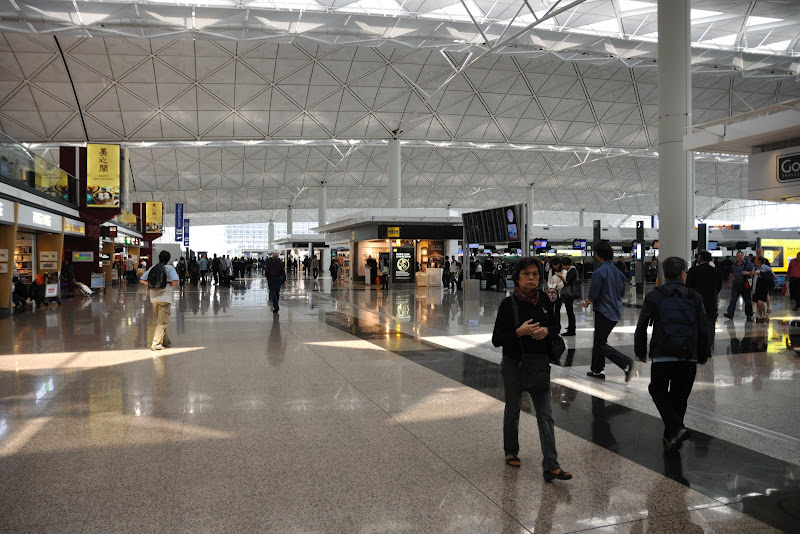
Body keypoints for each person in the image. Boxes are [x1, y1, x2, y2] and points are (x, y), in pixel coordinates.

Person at [491, 257, 572, 481]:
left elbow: (555, 325)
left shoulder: (543, 299)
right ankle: (511, 450)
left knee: (546, 415)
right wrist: (519, 332)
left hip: (538, 364)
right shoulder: (509, 305)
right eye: (526, 274)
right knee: (513, 408)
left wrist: (546, 330)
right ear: (517, 278)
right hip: (514, 364)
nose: (531, 278)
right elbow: (497, 339)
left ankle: (551, 465)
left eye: (535, 274)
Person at [634, 256, 710, 453]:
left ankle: (674, 432)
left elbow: (642, 325)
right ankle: (673, 434)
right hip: (688, 356)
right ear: (683, 273)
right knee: (679, 398)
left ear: (663, 273)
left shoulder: (655, 295)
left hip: (662, 354)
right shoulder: (694, 296)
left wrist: (640, 350)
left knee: (657, 390)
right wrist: (703, 354)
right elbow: (704, 328)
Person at [582, 241, 635, 382]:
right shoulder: (618, 273)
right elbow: (622, 293)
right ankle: (597, 370)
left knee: (600, 344)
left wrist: (587, 301)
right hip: (615, 311)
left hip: (603, 311)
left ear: (598, 255)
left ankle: (626, 363)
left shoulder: (599, 272)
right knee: (599, 340)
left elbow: (594, 293)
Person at [139, 250, 179, 351]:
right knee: (163, 322)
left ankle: (165, 341)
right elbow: (175, 281)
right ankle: (156, 344)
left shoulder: (153, 267)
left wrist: (151, 285)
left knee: (161, 319)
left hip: (154, 298)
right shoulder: (169, 268)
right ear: (168, 259)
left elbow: (142, 279)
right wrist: (169, 286)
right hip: (164, 297)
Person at [686, 250, 721, 347]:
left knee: (696, 323)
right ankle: (709, 345)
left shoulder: (693, 270)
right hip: (711, 302)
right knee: (710, 324)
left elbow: (688, 286)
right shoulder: (715, 271)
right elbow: (718, 287)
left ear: (700, 258)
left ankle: (696, 344)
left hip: (695, 301)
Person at [724, 251, 755, 322]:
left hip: (745, 285)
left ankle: (749, 315)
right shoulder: (734, 265)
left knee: (747, 301)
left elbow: (754, 271)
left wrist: (747, 273)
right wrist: (729, 283)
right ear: (736, 257)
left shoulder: (748, 264)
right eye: (738, 256)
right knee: (733, 300)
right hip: (736, 284)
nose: (740, 257)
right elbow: (732, 274)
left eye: (741, 255)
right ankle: (730, 314)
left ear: (743, 256)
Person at [561, 257, 579, 336]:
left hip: (569, 293)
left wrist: (561, 277)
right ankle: (570, 327)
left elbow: (567, 281)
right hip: (570, 292)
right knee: (569, 311)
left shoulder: (572, 270)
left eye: (563, 265)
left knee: (570, 312)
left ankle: (571, 330)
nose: (562, 267)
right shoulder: (572, 270)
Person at [752, 256, 774, 323]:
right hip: (755, 287)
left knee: (760, 301)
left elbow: (773, 275)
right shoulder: (755, 268)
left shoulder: (766, 268)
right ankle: (760, 316)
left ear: (759, 261)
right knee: (757, 302)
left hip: (762, 287)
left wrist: (762, 274)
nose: (754, 261)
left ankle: (764, 314)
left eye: (756, 259)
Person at [547, 257, 565, 333]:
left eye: (556, 265)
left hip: (559, 292)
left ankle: (557, 327)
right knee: (550, 310)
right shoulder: (551, 271)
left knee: (557, 310)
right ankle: (551, 326)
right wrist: (551, 287)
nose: (555, 266)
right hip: (552, 292)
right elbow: (549, 281)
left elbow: (563, 282)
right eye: (553, 265)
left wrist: (555, 287)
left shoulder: (563, 271)